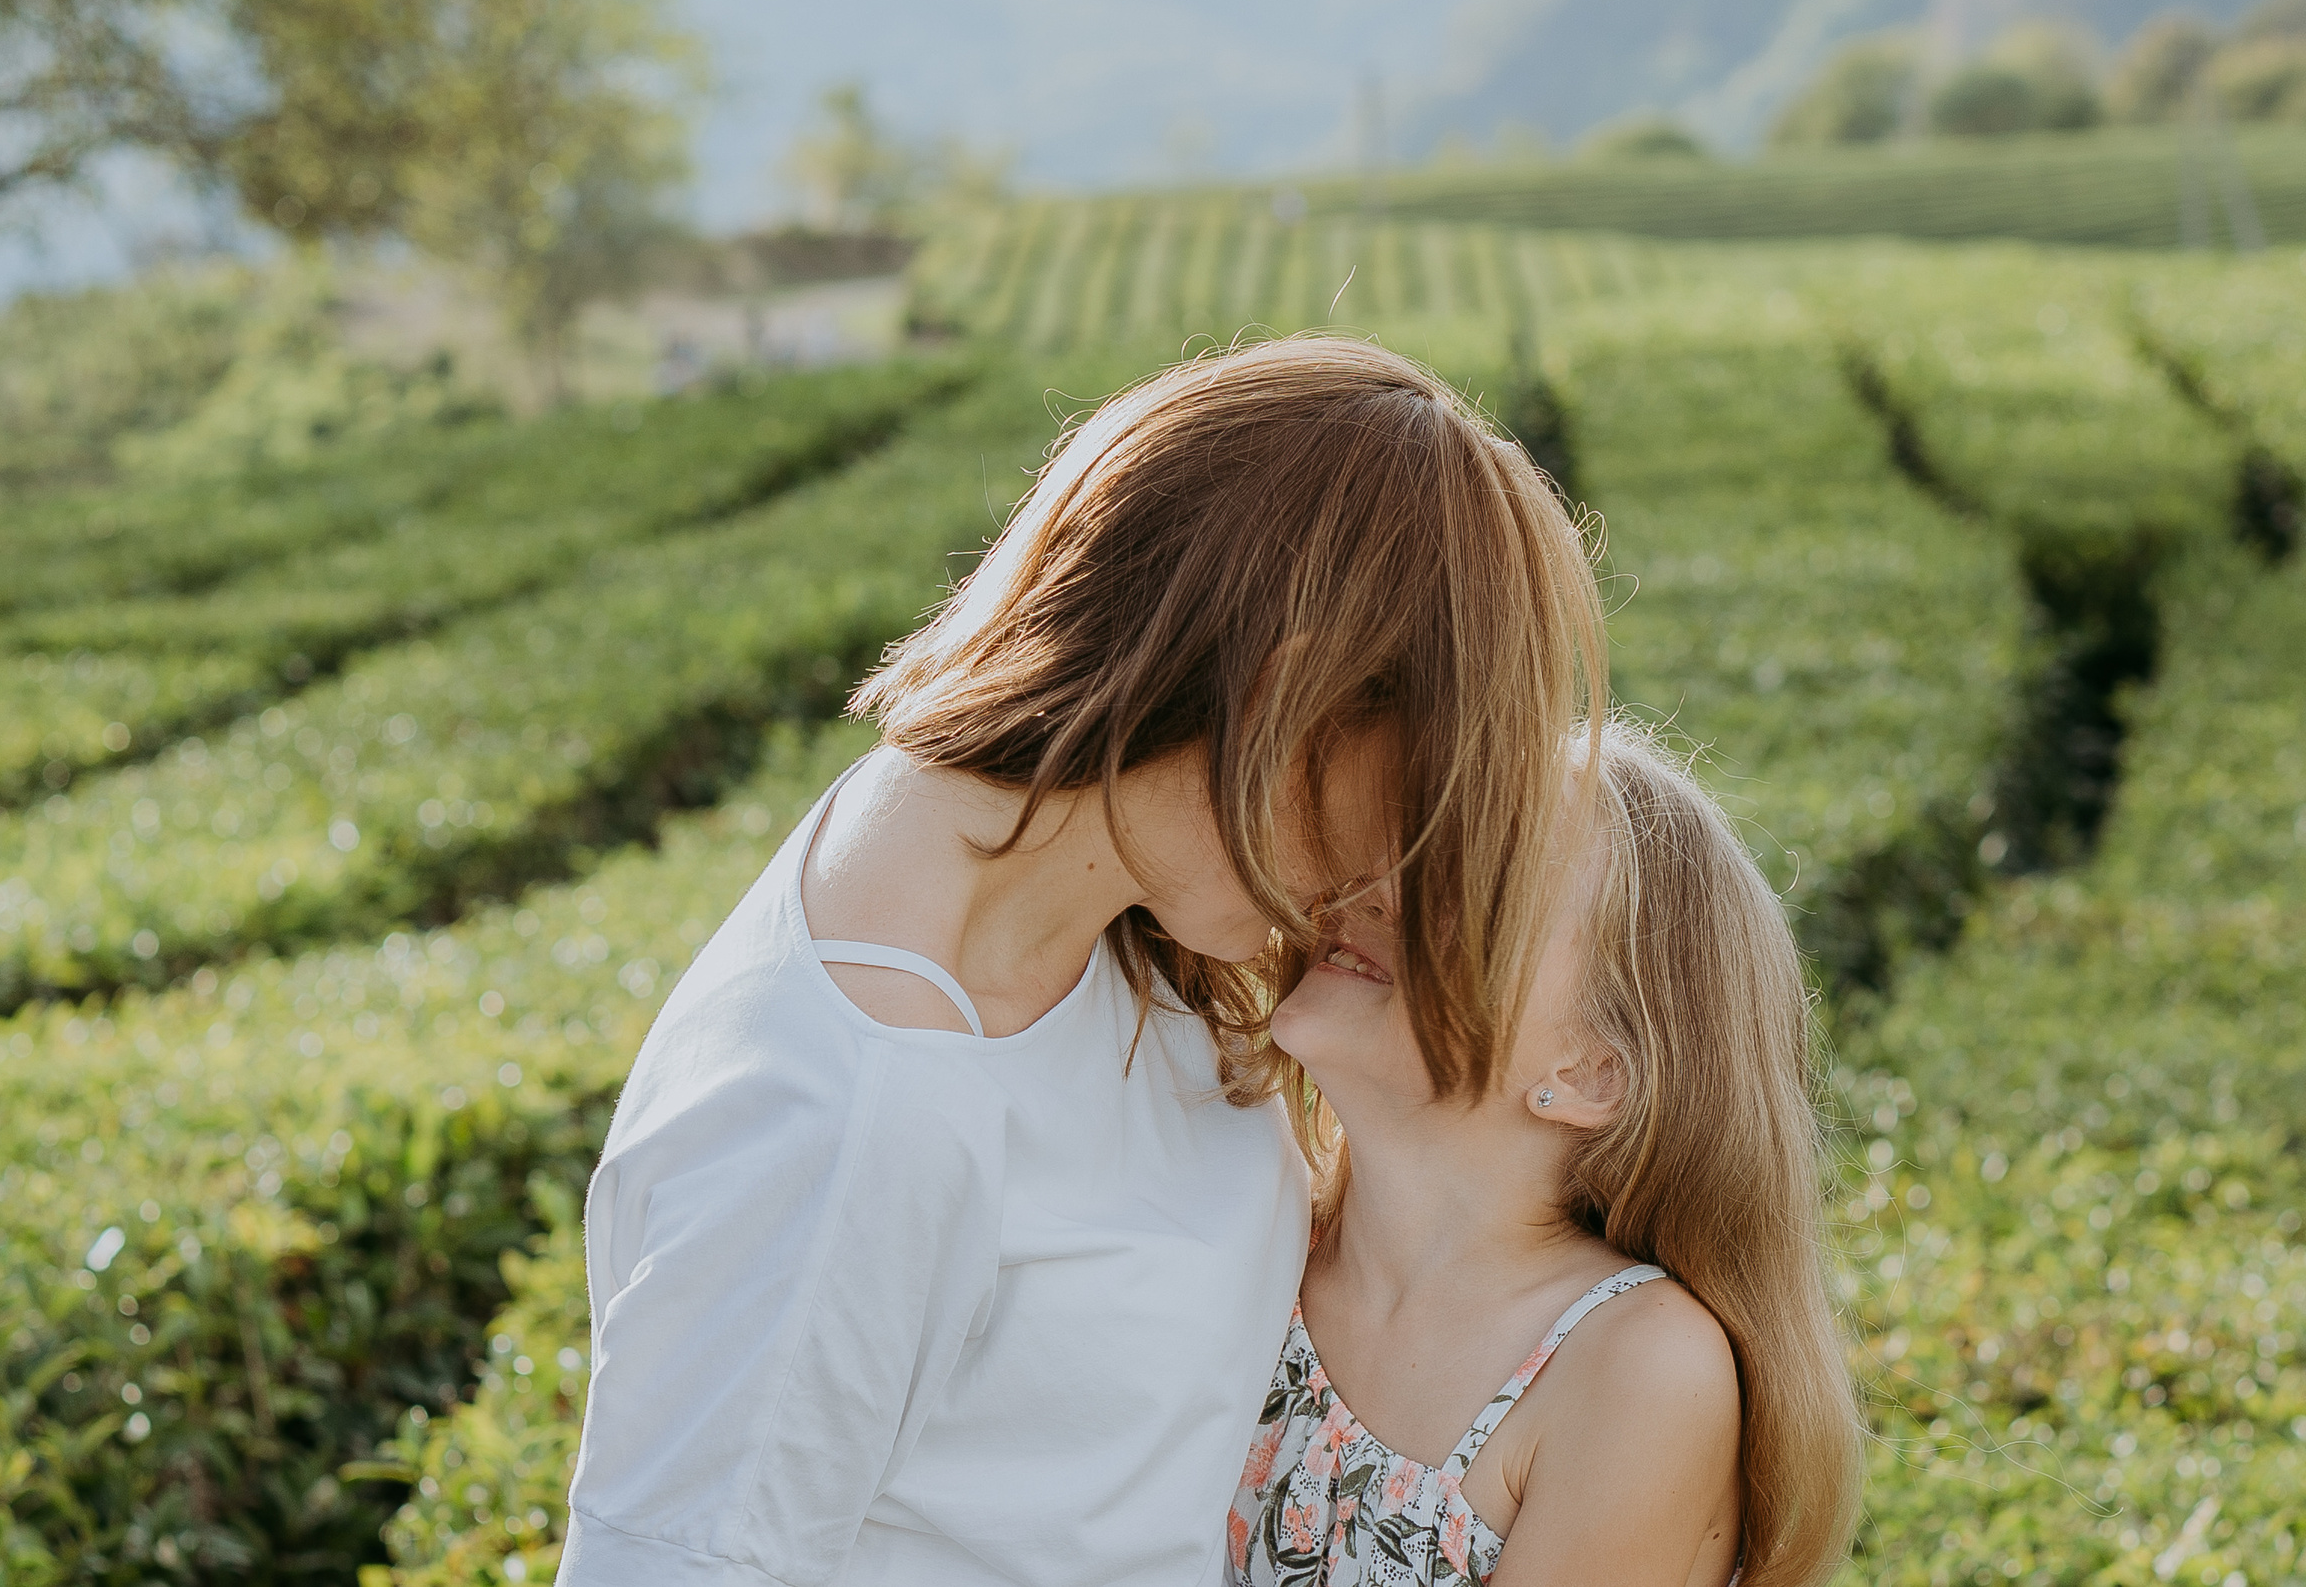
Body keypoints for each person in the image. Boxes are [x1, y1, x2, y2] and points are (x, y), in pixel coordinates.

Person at [558, 336, 1608, 1586]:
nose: (1389, 864)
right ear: (1288, 700)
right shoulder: (858, 1109)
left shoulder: (1108, 912)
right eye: (1414, 786)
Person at [1227, 720, 1861, 1587]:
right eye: (1408, 841)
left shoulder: (1634, 1368)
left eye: (1477, 881)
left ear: (1592, 1073)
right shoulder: (1253, 1219)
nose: (1373, 887)